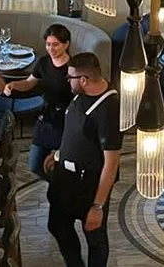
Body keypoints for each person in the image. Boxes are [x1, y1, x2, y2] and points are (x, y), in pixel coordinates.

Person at [44, 52, 121, 267]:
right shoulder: (80, 94)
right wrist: (58, 154)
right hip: (66, 178)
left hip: (88, 185)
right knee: (57, 225)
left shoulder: (108, 110)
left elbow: (111, 163)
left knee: (95, 238)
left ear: (84, 80)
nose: (67, 80)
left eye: (70, 77)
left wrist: (97, 206)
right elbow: (75, 132)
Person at [4, 23, 73, 180]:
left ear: (66, 44)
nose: (51, 49)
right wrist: (14, 85)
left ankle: (62, 189)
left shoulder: (72, 68)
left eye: (55, 44)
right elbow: (29, 83)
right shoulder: (43, 62)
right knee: (35, 165)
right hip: (46, 117)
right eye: (48, 44)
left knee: (62, 165)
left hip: (66, 120)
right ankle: (55, 185)